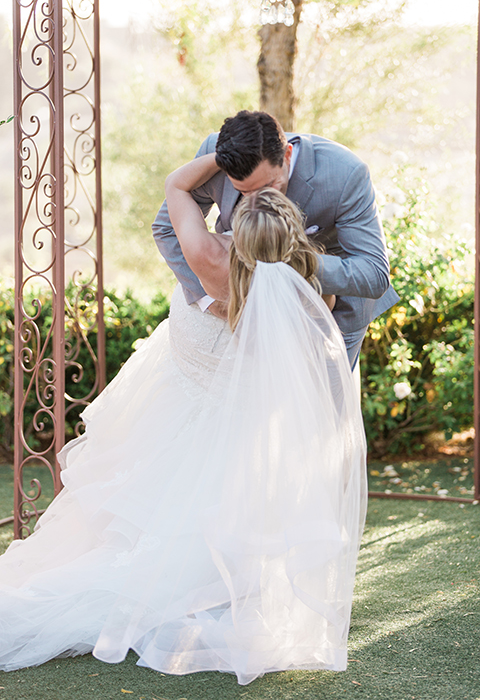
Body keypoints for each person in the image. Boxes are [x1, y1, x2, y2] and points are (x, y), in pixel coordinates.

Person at [0, 155, 367, 686]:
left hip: (177, 400)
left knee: (146, 499)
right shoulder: (312, 295)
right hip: (232, 419)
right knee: (209, 501)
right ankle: (222, 583)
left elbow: (173, 192)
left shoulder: (205, 259)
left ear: (237, 235)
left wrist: (223, 153)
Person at [153, 110, 399, 369]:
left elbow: (374, 275)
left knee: (320, 406)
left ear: (287, 155)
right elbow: (166, 228)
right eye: (243, 192)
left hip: (331, 314)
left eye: (267, 187)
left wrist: (291, 266)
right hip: (238, 319)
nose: (256, 202)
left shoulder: (345, 174)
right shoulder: (218, 156)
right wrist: (208, 297)